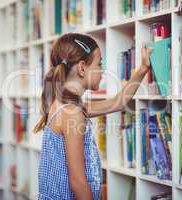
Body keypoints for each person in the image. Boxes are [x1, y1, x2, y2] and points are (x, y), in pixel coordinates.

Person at [33, 33, 152, 200]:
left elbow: (117, 103)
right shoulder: (72, 113)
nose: (102, 70)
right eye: (99, 63)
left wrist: (142, 69)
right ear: (82, 68)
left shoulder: (66, 105)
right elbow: (78, 182)